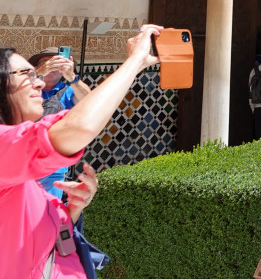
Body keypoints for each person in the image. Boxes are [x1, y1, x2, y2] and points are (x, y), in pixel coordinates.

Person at [0, 24, 162, 279]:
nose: (39, 83)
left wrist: (73, 208)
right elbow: (80, 126)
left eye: (37, 75)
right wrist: (134, 62)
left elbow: (41, 235)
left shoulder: (18, 173)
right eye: (28, 75)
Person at [29, 48, 92, 198]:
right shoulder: (27, 86)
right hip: (22, 162)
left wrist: (72, 77)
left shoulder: (69, 91)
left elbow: (90, 102)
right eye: (46, 62)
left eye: (58, 62)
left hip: (52, 169)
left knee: (45, 215)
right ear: (37, 67)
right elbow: (8, 91)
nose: (52, 65)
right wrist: (39, 74)